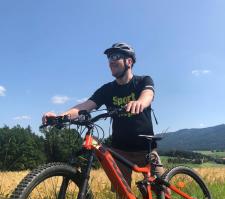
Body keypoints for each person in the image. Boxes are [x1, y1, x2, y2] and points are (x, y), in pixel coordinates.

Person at [43, 42, 164, 188]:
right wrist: (59, 117)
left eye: (116, 56)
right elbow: (84, 106)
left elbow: (148, 95)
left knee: (163, 190)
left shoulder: (143, 81)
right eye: (109, 58)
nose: (111, 61)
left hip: (146, 149)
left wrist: (139, 102)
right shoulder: (107, 90)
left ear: (129, 61)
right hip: (120, 151)